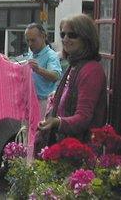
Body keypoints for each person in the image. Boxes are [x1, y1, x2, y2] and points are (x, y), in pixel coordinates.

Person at [37, 14, 107, 147]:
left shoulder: (91, 71)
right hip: (64, 146)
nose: (65, 39)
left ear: (86, 38)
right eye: (63, 34)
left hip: (80, 150)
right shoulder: (74, 66)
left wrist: (57, 122)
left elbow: (84, 117)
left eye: (72, 35)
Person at [25, 23, 62, 120]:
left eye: (33, 40)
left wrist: (38, 69)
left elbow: (56, 75)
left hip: (43, 104)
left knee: (38, 133)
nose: (30, 44)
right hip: (29, 102)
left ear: (43, 37)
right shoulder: (31, 54)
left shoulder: (51, 56)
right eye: (27, 41)